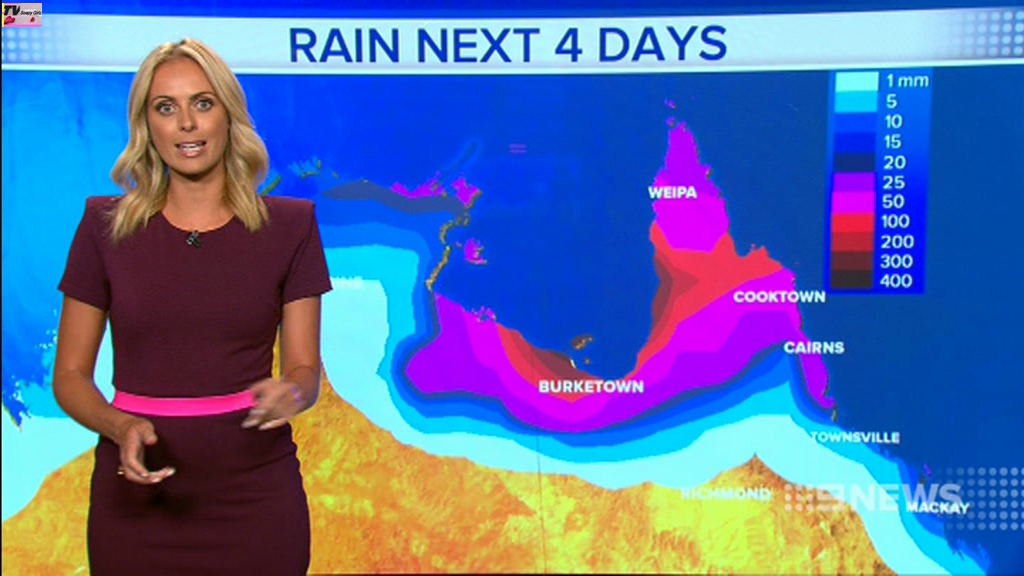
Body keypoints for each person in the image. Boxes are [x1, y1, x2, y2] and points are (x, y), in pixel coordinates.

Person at [52, 38, 332, 576]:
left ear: (229, 115)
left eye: (203, 103)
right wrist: (117, 426)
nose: (186, 123)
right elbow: (69, 376)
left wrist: (292, 393)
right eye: (166, 107)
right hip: (137, 501)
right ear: (146, 126)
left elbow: (304, 370)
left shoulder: (291, 229)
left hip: (255, 500)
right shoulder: (104, 228)